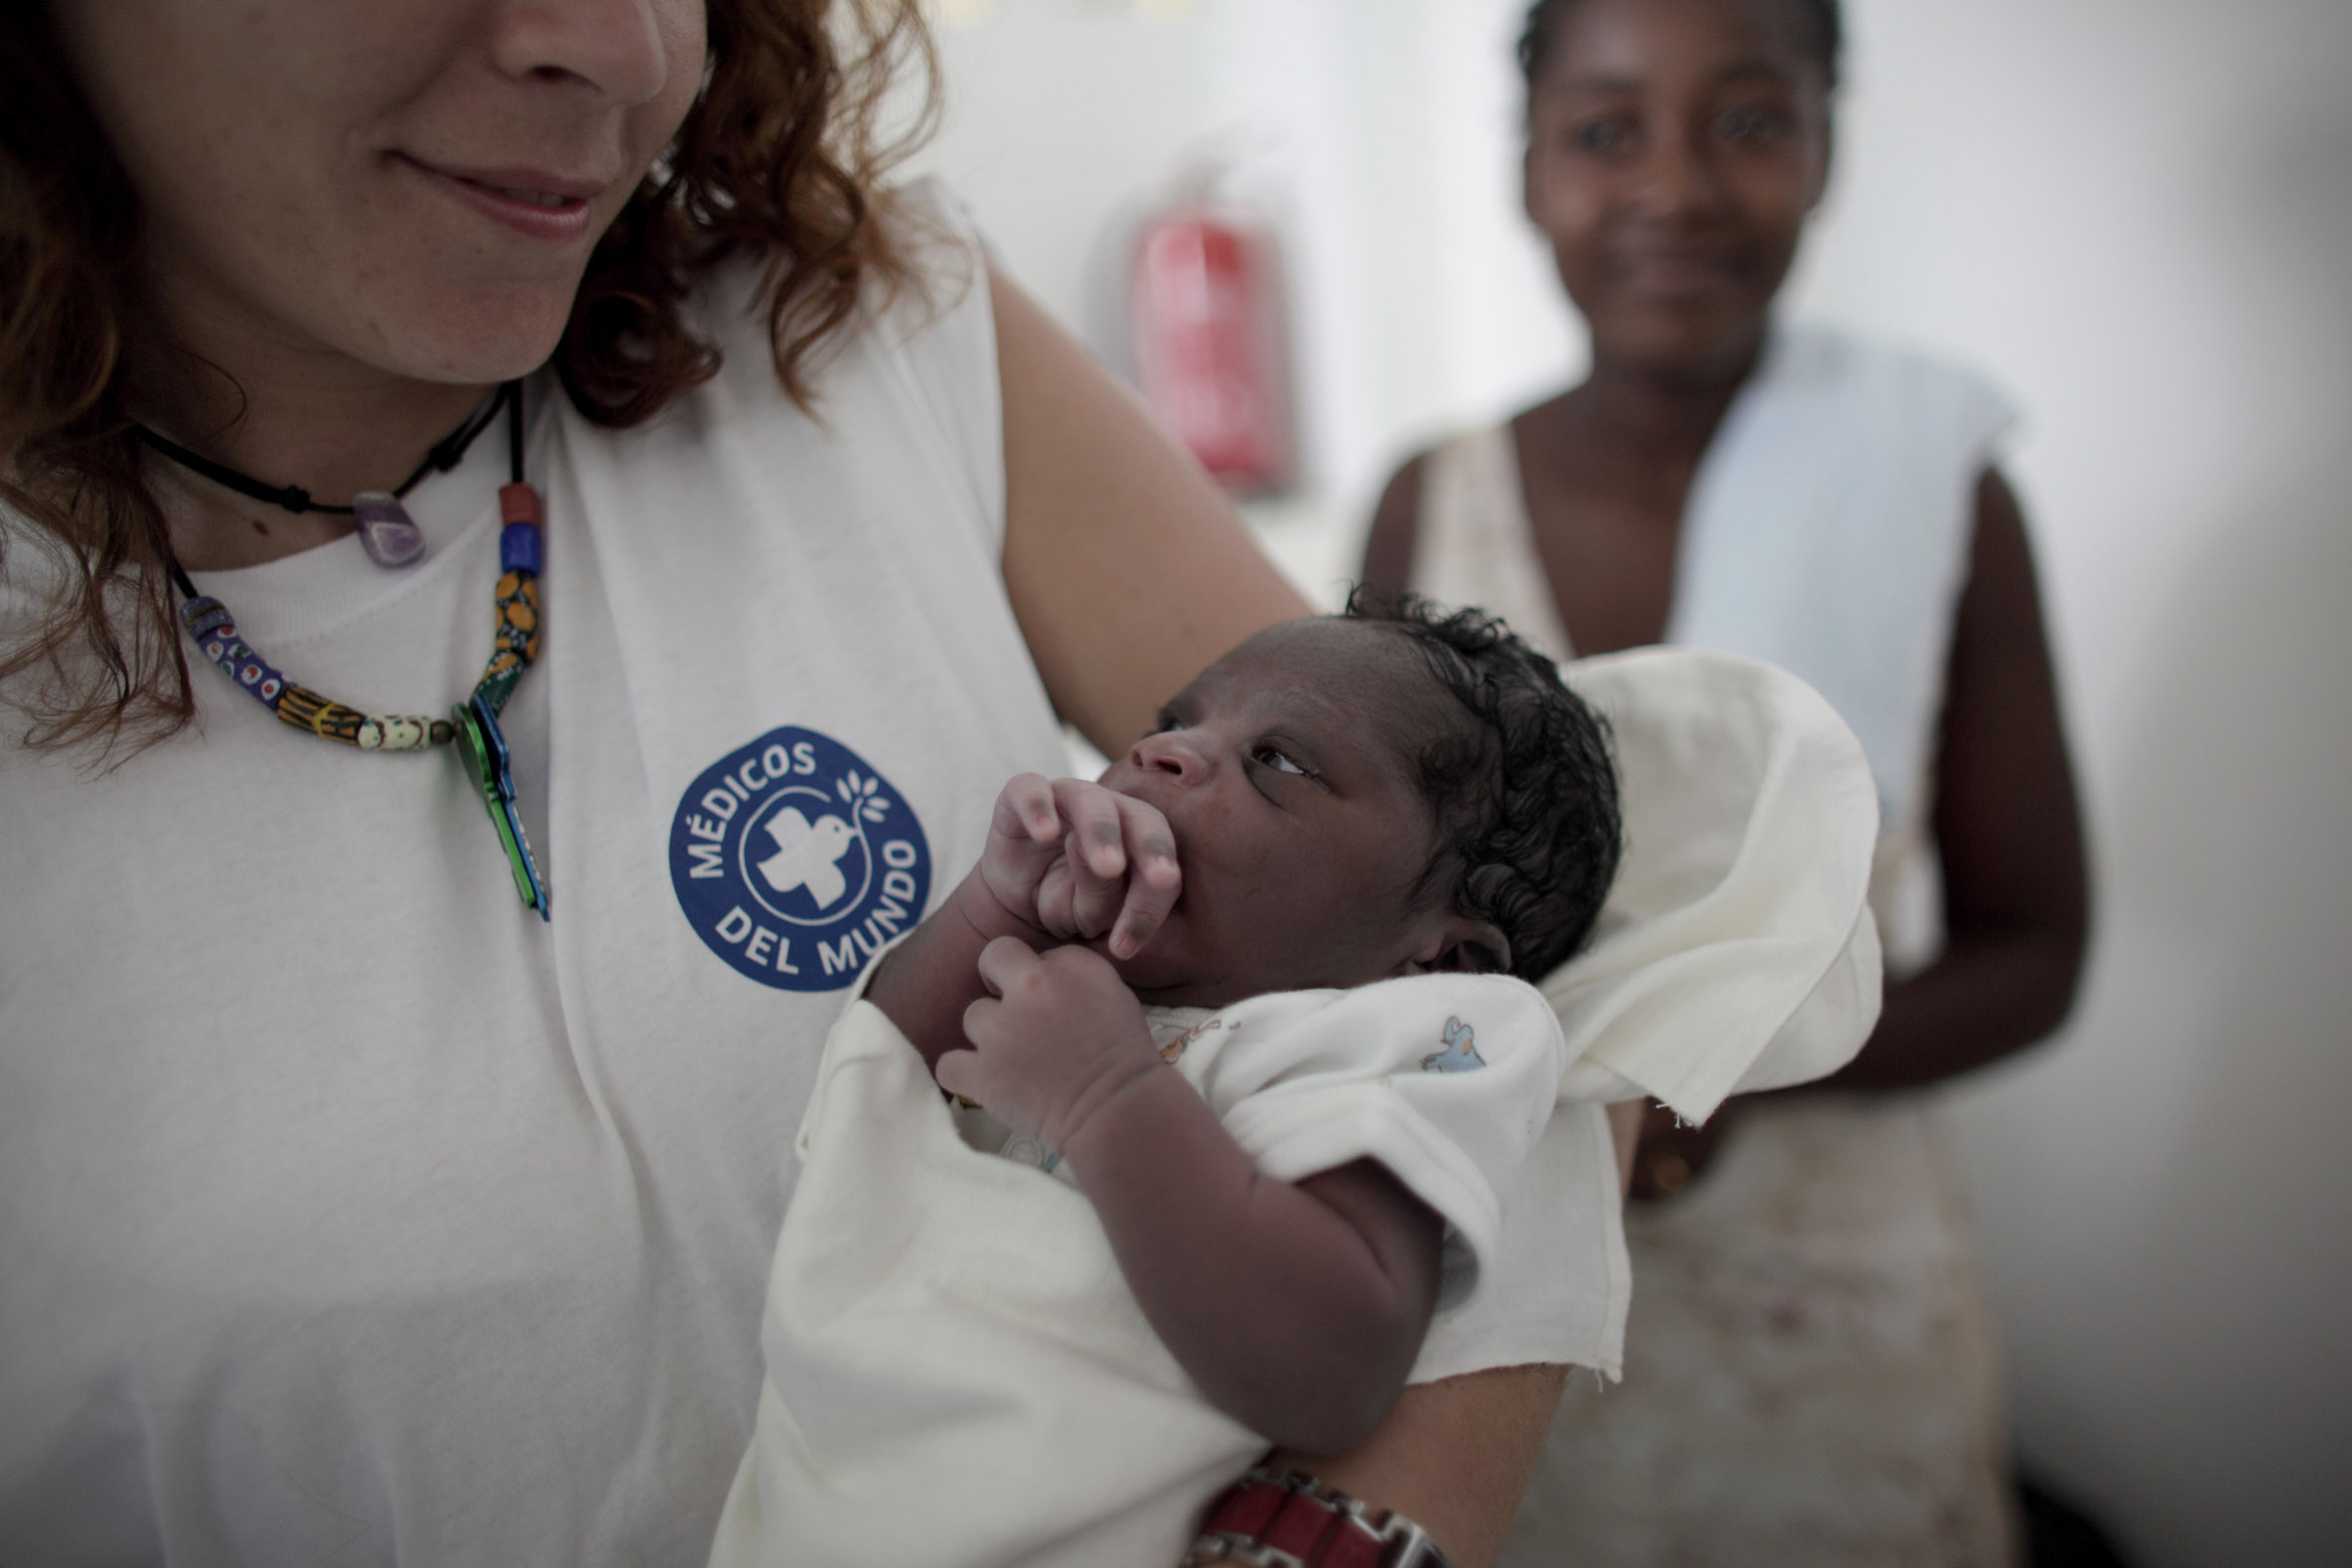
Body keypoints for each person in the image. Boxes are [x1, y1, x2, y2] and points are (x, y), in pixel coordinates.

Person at [0, 3, 1594, 1564]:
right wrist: (1013, 938)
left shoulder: (859, 325)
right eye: (1165, 726)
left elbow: (1557, 962)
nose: (620, 46)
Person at [1362, 0, 2090, 1562]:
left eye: (1748, 120)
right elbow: (1363, 922)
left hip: (1825, 1318)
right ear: (1527, 166)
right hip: (1508, 1305)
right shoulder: (1432, 507)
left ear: (1825, 147)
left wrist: (1720, 1075)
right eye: (1606, 129)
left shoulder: (1934, 486)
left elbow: (2038, 950)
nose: (1674, 186)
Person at [714, 598, 1625, 1565]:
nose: (1166, 753)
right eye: (1173, 724)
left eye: (1278, 762)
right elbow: (879, 1089)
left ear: (1438, 954)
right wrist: (996, 905)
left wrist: (1105, 1092)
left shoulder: (1413, 1035)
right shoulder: (1073, 972)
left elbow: (1332, 1366)